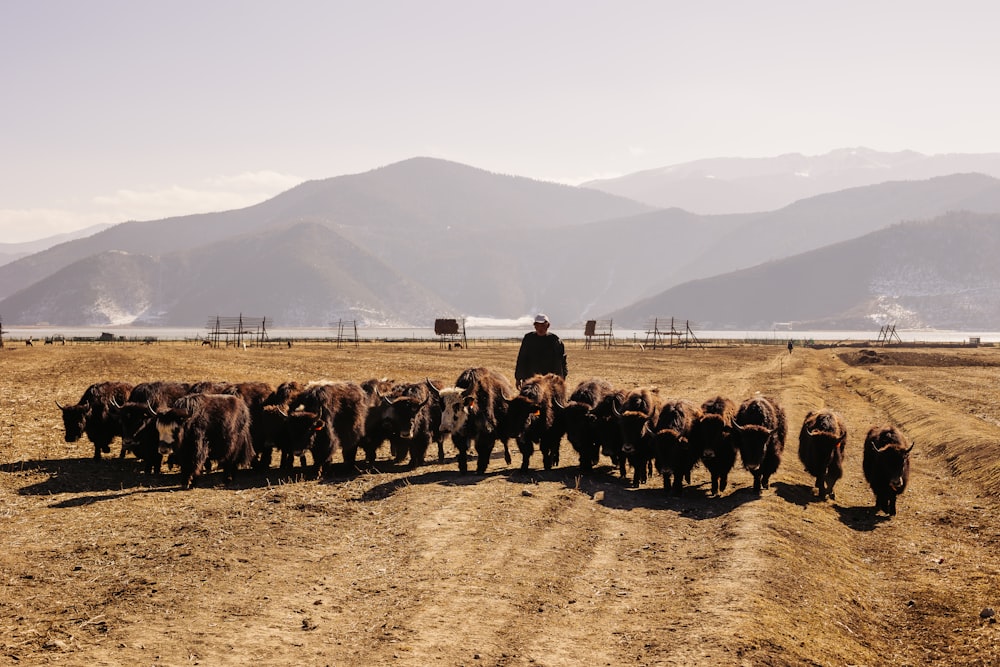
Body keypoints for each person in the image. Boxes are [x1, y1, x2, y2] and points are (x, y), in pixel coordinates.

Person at [515, 313, 568, 387]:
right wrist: (518, 378)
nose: (540, 328)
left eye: (543, 325)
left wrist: (562, 378)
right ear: (534, 326)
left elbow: (562, 362)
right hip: (530, 380)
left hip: (550, 381)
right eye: (537, 325)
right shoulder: (528, 339)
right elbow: (522, 359)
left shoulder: (555, 341)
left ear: (548, 325)